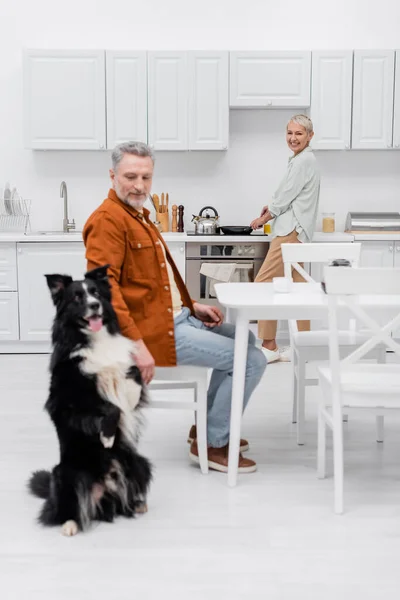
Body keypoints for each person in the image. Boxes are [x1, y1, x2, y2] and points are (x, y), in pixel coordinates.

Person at [83, 141, 267, 474]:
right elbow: (102, 290)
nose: (140, 185)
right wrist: (137, 347)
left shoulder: (138, 216)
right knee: (252, 359)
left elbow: (154, 279)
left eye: (146, 177)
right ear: (112, 175)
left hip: (178, 319)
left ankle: (207, 427)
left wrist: (191, 305)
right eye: (131, 176)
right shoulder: (108, 221)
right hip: (153, 333)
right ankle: (213, 444)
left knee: (250, 341)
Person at [250, 114, 320, 364]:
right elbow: (292, 194)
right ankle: (305, 346)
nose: (293, 138)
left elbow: (287, 195)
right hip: (299, 231)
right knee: (300, 289)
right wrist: (272, 207)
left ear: (310, 136)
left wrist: (266, 216)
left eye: (299, 133)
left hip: (290, 231)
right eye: (289, 133)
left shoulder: (302, 162)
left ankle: (269, 345)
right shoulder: (303, 160)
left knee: (264, 282)